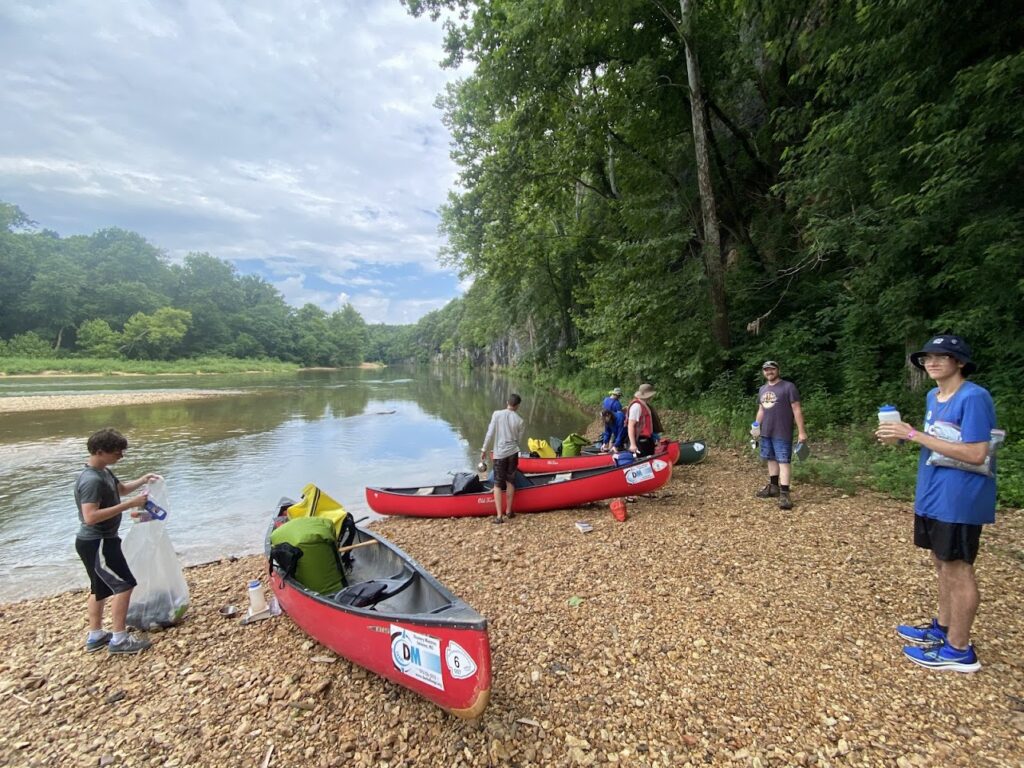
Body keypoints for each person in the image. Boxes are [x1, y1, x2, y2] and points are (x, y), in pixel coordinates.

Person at [875, 335, 997, 673]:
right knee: (941, 562)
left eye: (942, 357)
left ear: (959, 362)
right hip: (933, 493)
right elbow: (939, 441)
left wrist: (913, 435)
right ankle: (943, 628)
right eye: (928, 357)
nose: (932, 362)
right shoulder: (933, 395)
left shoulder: (974, 397)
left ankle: (960, 650)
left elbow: (976, 453)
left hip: (961, 498)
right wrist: (903, 435)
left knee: (959, 569)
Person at [74, 428, 161, 655]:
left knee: (99, 588)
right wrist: (131, 505)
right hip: (98, 541)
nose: (120, 456)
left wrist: (143, 480)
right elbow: (90, 516)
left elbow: (120, 490)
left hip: (99, 541)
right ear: (100, 451)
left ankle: (96, 635)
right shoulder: (91, 480)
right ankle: (119, 639)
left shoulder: (104, 472)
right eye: (117, 452)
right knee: (125, 584)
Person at [751, 360, 807, 510]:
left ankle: (785, 493)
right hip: (766, 431)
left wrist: (802, 431)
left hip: (782, 430)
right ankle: (773, 487)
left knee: (783, 461)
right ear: (763, 372)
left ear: (778, 370)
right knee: (771, 459)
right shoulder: (762, 389)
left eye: (772, 369)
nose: (769, 372)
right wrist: (756, 427)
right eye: (766, 370)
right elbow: (761, 410)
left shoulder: (788, 387)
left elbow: (796, 410)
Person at [480, 394, 525, 524]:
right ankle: (509, 511)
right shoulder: (520, 420)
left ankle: (499, 516)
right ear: (517, 406)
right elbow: (518, 440)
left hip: (500, 454)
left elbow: (490, 433)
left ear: (507, 402)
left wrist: (484, 449)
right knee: (510, 481)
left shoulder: (497, 414)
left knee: (498, 484)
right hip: (513, 453)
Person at [626, 383, 658, 457]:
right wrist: (633, 444)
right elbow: (630, 426)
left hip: (647, 439)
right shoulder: (636, 406)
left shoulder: (645, 404)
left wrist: (655, 438)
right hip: (639, 441)